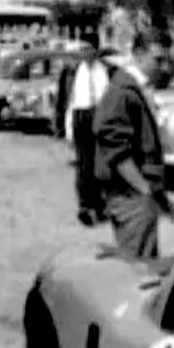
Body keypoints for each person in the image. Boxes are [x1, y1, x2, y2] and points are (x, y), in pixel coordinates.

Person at [93, 32, 174, 260]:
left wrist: (157, 195)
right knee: (138, 267)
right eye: (159, 60)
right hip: (129, 195)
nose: (165, 68)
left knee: (143, 260)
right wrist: (144, 189)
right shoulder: (122, 91)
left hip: (136, 193)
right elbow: (114, 147)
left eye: (168, 60)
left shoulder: (136, 88)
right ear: (138, 55)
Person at [67, 31, 111, 225]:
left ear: (96, 50)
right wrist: (69, 129)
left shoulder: (105, 71)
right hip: (81, 117)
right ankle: (85, 207)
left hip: (99, 116)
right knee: (84, 165)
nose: (83, 52)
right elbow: (72, 101)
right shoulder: (75, 71)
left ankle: (100, 205)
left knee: (100, 164)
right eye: (81, 49)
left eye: (87, 48)